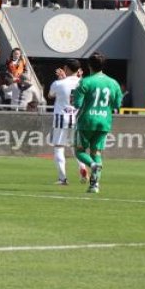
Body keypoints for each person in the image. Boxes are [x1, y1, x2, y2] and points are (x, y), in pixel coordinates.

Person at [72, 52, 123, 194]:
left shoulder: (85, 81)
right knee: (96, 152)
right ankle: (94, 185)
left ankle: (92, 165)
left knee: (79, 151)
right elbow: (117, 104)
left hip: (86, 121)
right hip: (104, 121)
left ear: (89, 65)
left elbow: (77, 104)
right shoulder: (113, 83)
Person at [47, 59, 88, 186]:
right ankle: (82, 167)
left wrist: (61, 79)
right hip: (77, 118)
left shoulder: (58, 83)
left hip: (61, 118)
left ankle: (62, 178)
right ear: (79, 70)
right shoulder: (83, 83)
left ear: (65, 68)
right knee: (76, 147)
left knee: (59, 147)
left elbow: (50, 95)